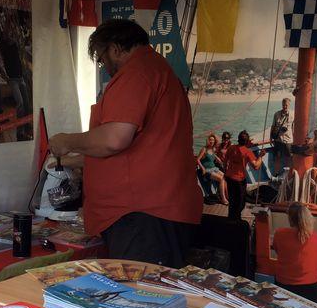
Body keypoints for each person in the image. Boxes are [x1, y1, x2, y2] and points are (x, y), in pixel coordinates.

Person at [49, 18, 203, 266]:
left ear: (115, 48)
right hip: (154, 211)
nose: (103, 66)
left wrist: (67, 141)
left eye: (101, 58)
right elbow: (139, 149)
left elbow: (114, 138)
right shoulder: (156, 70)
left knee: (141, 294)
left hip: (144, 215)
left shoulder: (136, 73)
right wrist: (78, 161)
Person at [272, 202, 317, 306]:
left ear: (290, 218)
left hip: (283, 285)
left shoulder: (279, 233)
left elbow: (277, 250)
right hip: (310, 289)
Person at [224, 130, 265, 221]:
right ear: (247, 141)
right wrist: (261, 156)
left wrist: (225, 172)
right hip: (239, 180)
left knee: (232, 199)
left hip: (229, 177)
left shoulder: (231, 148)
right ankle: (236, 219)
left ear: (238, 139)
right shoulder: (247, 152)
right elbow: (256, 166)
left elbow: (225, 160)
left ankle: (231, 218)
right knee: (241, 202)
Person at [197, 133, 228, 204]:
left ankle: (226, 196)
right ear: (208, 141)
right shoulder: (204, 149)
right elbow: (198, 160)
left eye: (213, 140)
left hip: (214, 168)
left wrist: (219, 160)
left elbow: (214, 156)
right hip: (207, 170)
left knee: (225, 177)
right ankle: (223, 198)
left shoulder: (213, 149)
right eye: (210, 140)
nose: (211, 141)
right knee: (221, 179)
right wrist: (203, 169)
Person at [270, 98, 294, 173]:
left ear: (289, 105)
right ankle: (277, 174)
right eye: (283, 105)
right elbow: (273, 126)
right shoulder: (276, 114)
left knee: (289, 158)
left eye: (286, 105)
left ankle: (289, 174)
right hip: (278, 139)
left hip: (288, 140)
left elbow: (294, 126)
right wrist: (270, 138)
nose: (285, 106)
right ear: (282, 104)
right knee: (277, 157)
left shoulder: (293, 114)